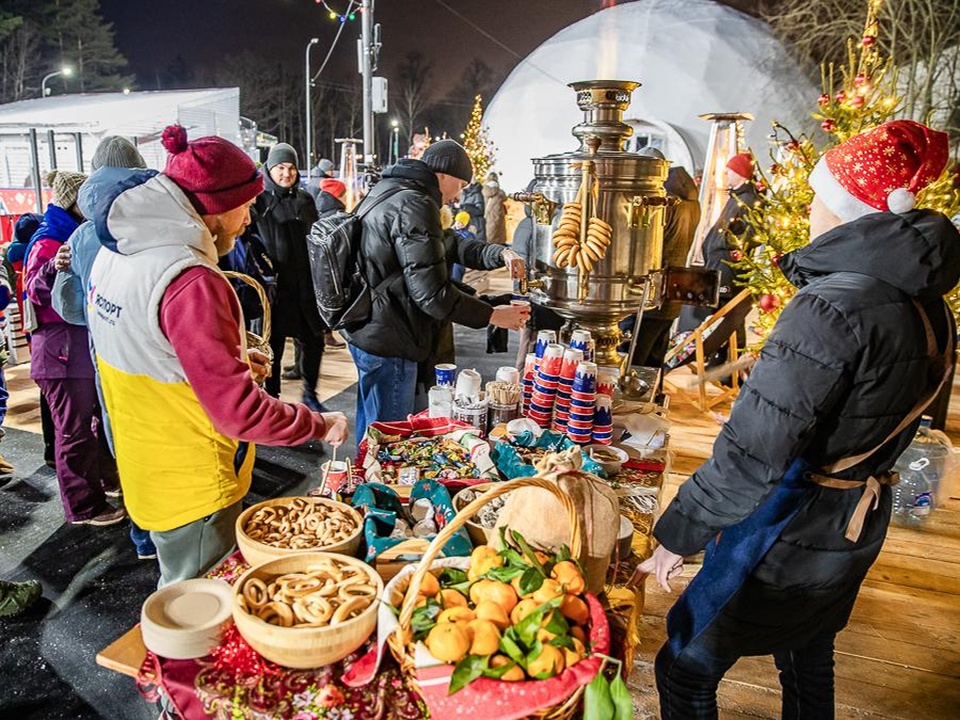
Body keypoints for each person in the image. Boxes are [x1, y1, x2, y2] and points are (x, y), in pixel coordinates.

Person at [636, 120, 958, 719]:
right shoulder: (929, 304)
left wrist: (678, 535)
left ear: (847, 210)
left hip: (789, 529)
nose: (809, 208)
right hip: (858, 522)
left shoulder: (831, 306)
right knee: (809, 654)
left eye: (818, 195)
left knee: (685, 666)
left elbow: (754, 450)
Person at [86, 125, 348, 586]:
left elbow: (149, 347)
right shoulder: (190, 279)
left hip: (145, 463)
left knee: (181, 592)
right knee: (197, 611)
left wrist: (227, 355)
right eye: (246, 206)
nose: (249, 220)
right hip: (194, 480)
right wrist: (318, 423)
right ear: (216, 204)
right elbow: (238, 413)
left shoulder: (119, 249)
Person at [344, 139, 529, 441]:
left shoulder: (393, 191)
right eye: (460, 185)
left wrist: (499, 253)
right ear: (443, 174)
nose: (458, 196)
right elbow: (432, 295)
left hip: (371, 330)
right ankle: (377, 488)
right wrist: (493, 315)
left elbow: (449, 244)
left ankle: (365, 482)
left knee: (373, 431)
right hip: (392, 336)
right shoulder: (416, 204)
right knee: (390, 441)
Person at [51, 136, 158, 560]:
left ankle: (144, 535)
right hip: (160, 351)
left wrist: (64, 272)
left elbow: (71, 308)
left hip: (110, 357)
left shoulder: (80, 237)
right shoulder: (165, 219)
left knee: (125, 443)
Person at [23, 170, 125, 526]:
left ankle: (106, 481)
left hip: (76, 350)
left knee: (90, 424)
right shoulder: (50, 240)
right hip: (60, 353)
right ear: (74, 202)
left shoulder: (75, 234)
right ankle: (84, 507)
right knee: (74, 433)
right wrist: (53, 268)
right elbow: (33, 293)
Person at [255, 143, 328, 409]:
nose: (287, 174)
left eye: (292, 168)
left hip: (305, 285)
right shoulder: (259, 201)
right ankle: (272, 398)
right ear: (270, 169)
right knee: (272, 347)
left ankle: (311, 395)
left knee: (313, 340)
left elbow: (318, 237)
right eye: (281, 168)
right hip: (275, 289)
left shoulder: (305, 200)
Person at [624, 154, 701, 369]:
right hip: (672, 293)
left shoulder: (665, 202)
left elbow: (647, 246)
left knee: (633, 363)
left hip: (651, 292)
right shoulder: (693, 202)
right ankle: (655, 400)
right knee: (655, 360)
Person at [686, 152, 761, 364]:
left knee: (729, 315)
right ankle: (720, 358)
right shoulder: (736, 197)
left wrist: (729, 247)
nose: (726, 174)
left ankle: (729, 363)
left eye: (729, 170)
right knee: (721, 312)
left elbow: (752, 234)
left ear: (739, 173)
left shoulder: (749, 200)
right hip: (719, 267)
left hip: (729, 270)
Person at [7, 213, 56, 467]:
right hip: (45, 330)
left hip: (32, 330)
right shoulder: (40, 254)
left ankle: (50, 448)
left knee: (46, 390)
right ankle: (52, 449)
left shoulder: (20, 260)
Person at [482, 171, 508, 245]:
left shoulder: (483, 190)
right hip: (498, 216)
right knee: (499, 237)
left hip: (487, 214)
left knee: (488, 235)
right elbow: (505, 198)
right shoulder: (499, 192)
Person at [459, 178, 486, 244]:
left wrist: (465, 207)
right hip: (464, 224)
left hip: (475, 224)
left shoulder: (477, 194)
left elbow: (480, 210)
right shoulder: (463, 194)